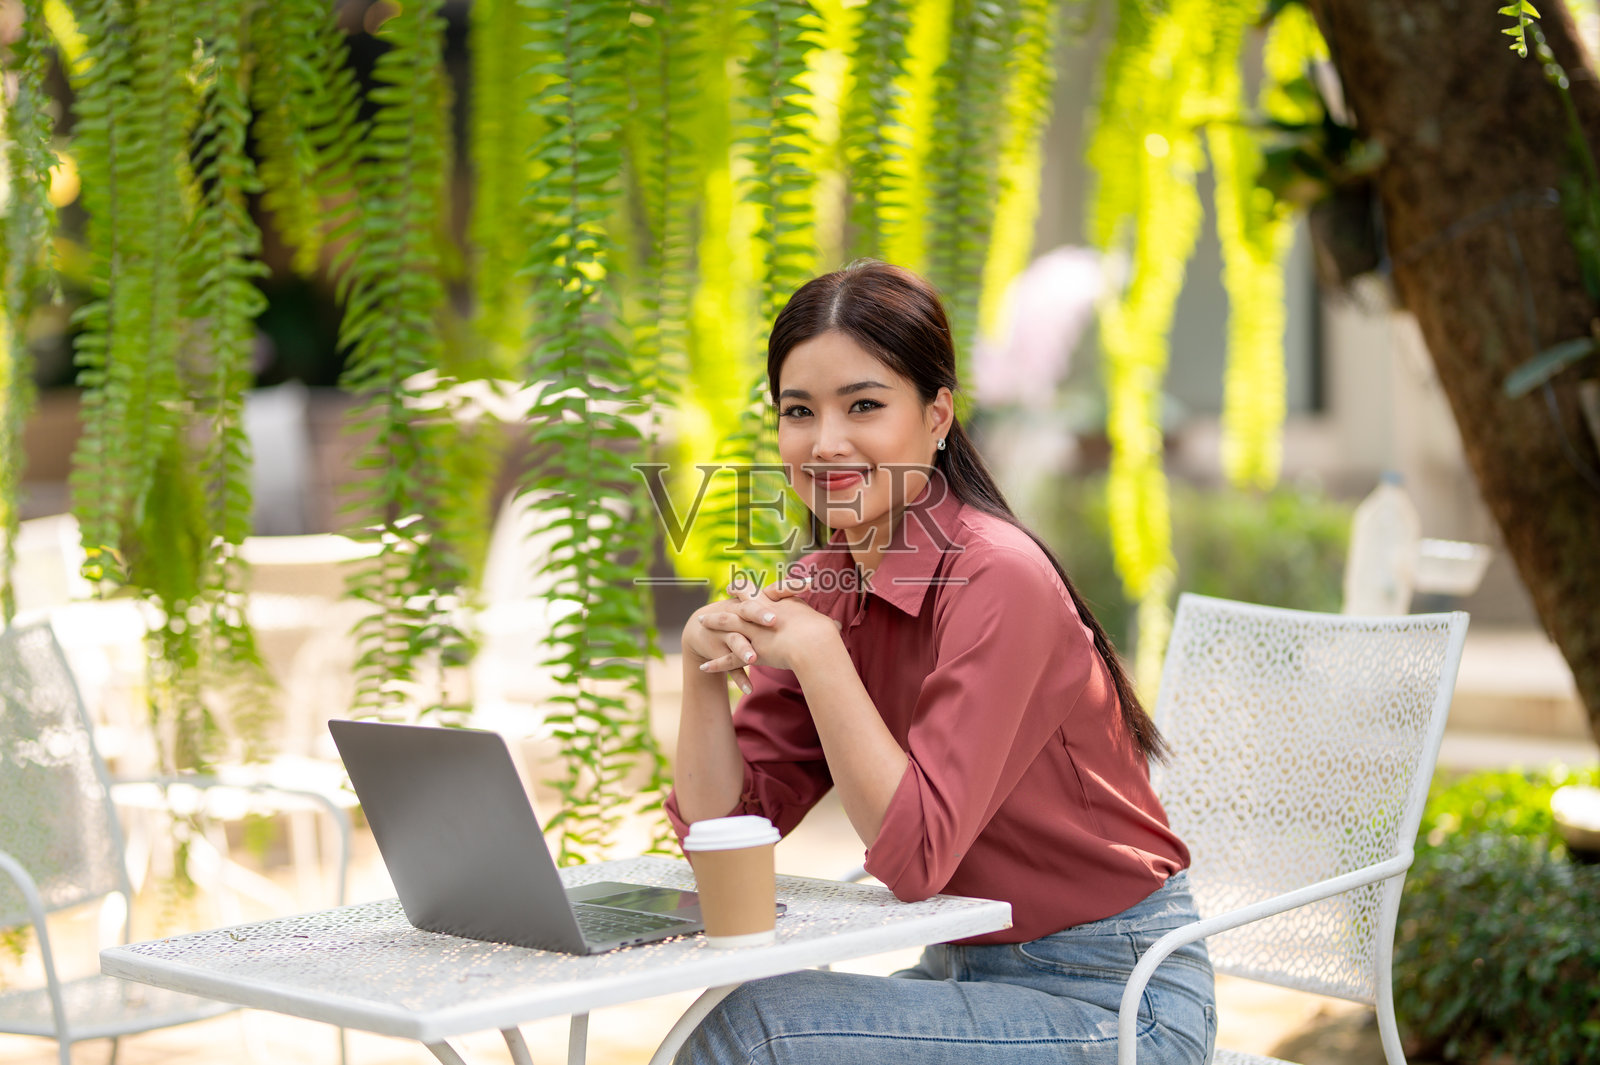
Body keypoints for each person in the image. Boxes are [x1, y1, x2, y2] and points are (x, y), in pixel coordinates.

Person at [666, 260, 1215, 1065]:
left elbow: (919, 857)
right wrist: (698, 675)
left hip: (1123, 1000)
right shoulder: (822, 583)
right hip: (964, 971)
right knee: (736, 1009)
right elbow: (728, 830)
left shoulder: (998, 577)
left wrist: (821, 658)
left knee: (760, 1032)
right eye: (797, 410)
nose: (825, 442)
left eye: (864, 405)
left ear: (937, 415)